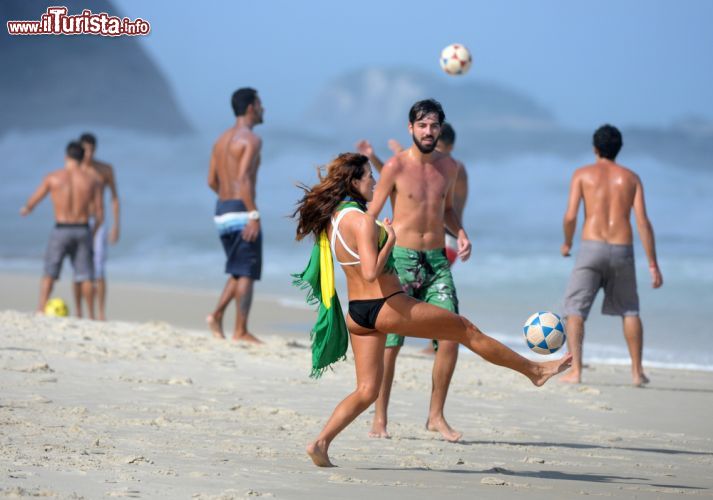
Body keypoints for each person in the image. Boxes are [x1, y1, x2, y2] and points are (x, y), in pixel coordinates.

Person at [292, 152, 571, 467]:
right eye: (369, 175)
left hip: (358, 313)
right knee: (465, 329)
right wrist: (391, 239)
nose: (374, 181)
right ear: (354, 181)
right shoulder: (362, 219)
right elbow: (371, 271)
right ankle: (535, 371)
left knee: (367, 389)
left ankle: (320, 442)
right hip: (386, 305)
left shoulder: (336, 219)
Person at [359, 101, 468, 442]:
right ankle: (380, 417)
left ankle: (436, 416)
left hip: (436, 261)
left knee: (452, 334)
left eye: (434, 126)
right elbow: (372, 212)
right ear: (411, 129)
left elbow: (447, 209)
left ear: (440, 130)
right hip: (401, 260)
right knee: (391, 342)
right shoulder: (394, 166)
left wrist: (461, 233)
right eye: (422, 126)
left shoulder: (449, 167)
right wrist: (371, 253)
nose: (428, 131)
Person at [560, 124, 663, 386]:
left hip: (591, 247)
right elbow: (643, 222)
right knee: (630, 310)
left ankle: (576, 371)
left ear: (595, 148)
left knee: (575, 310)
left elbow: (571, 215)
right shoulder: (631, 178)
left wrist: (567, 243)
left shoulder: (582, 174)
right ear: (619, 149)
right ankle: (637, 372)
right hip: (622, 249)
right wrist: (653, 264)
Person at [357, 121, 469, 266]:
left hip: (448, 239)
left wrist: (405, 155)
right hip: (427, 239)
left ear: (451, 148)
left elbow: (412, 176)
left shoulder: (455, 168)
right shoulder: (436, 166)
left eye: (439, 148)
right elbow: (395, 181)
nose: (435, 151)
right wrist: (373, 157)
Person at [206, 87, 265, 343]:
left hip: (222, 209)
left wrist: (228, 201)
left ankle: (217, 315)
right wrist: (252, 213)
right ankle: (240, 330)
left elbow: (211, 181)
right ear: (251, 107)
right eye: (261, 104)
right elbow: (242, 178)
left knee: (238, 269)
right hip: (242, 209)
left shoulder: (220, 140)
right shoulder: (251, 140)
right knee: (248, 271)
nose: (264, 109)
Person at [20, 141, 103, 318]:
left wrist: (26, 208)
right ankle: (91, 315)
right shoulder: (92, 180)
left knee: (50, 271)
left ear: (66, 157)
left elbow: (35, 200)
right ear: (83, 158)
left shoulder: (53, 177)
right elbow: (99, 213)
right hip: (82, 228)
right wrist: (93, 233)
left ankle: (41, 309)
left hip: (61, 228)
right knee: (86, 275)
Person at [72, 133, 120, 321]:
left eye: (92, 150)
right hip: (79, 221)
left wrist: (116, 225)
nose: (89, 154)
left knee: (99, 268)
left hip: (99, 221)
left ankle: (100, 313)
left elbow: (114, 198)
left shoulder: (104, 169)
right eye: (85, 150)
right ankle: (79, 311)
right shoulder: (74, 171)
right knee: (79, 267)